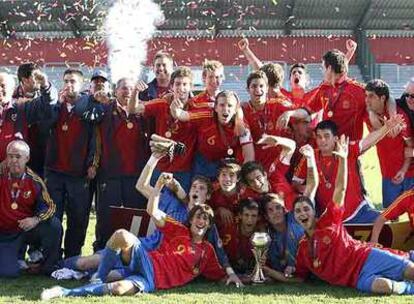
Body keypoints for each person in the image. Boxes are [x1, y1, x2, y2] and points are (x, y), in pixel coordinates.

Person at [41, 175, 240, 300]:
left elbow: (221, 269)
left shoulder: (207, 251)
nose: (201, 222)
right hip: (145, 258)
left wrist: (240, 276)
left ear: (209, 224)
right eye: (198, 217)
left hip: (151, 281)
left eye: (205, 219)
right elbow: (152, 209)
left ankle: (68, 288)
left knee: (117, 287)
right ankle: (76, 275)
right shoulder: (179, 229)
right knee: (120, 237)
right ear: (191, 219)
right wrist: (160, 185)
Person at [292, 135, 414, 295]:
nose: (302, 213)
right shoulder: (302, 248)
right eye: (298, 211)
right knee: (384, 286)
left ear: (314, 212)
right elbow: (298, 277)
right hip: (355, 279)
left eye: (306, 209)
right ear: (294, 217)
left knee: (411, 270)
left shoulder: (329, 221)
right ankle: (408, 288)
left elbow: (340, 189)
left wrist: (343, 159)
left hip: (365, 257)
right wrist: (265, 271)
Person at [293, 118, 403, 223]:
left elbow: (367, 141)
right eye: (319, 137)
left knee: (386, 223)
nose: (322, 140)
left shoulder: (345, 149)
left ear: (335, 138)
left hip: (358, 212)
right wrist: (307, 189)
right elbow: (296, 183)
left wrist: (386, 127)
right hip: (330, 219)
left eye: (326, 136)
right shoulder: (310, 156)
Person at [44, 68, 102, 257]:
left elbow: (96, 138)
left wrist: (92, 163)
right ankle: (51, 258)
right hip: (54, 171)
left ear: (82, 85)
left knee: (78, 217)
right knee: (53, 216)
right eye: (66, 81)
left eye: (73, 81)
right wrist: (56, 105)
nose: (69, 85)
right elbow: (44, 127)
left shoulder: (89, 106)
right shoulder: (55, 106)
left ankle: (72, 257)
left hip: (79, 173)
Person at [93, 78, 148, 252]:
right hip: (110, 173)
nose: (127, 92)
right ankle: (102, 251)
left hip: (136, 174)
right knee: (106, 216)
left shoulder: (143, 111)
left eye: (131, 88)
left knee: (136, 214)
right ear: (115, 91)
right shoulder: (105, 109)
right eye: (123, 88)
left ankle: (133, 253)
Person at [0, 140, 61, 277]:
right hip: (3, 232)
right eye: (10, 156)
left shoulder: (34, 181)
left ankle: (48, 266)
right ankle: (15, 260)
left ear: (27, 158)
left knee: (54, 225)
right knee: (8, 273)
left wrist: (35, 219)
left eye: (18, 156)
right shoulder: (1, 175)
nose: (14, 160)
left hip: (24, 230)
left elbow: (50, 207)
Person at [261, 144, 318, 279]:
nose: (276, 212)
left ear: (284, 208)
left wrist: (310, 159)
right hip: (300, 275)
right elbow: (295, 279)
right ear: (266, 216)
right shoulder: (269, 238)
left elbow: (311, 185)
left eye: (278, 208)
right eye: (270, 210)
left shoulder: (297, 216)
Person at [173, 90, 255, 179]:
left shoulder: (242, 126)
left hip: (227, 163)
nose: (225, 109)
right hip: (203, 161)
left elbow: (249, 156)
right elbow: (183, 115)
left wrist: (241, 176)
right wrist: (174, 106)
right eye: (222, 105)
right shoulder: (206, 115)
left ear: (235, 109)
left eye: (230, 106)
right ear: (215, 108)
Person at [241, 70, 309, 172]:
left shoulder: (278, 104)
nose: (258, 90)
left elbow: (305, 113)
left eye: (261, 86)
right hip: (254, 167)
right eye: (254, 86)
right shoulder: (243, 110)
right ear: (247, 89)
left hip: (277, 167)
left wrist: (290, 113)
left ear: (267, 88)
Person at [365, 79, 414, 208]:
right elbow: (390, 98)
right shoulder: (371, 114)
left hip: (408, 173)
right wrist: (372, 114)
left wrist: (404, 168)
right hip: (388, 174)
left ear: (382, 98)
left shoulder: (400, 116)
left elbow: (410, 147)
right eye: (406, 94)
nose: (367, 100)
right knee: (390, 216)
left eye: (371, 96)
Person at [12, 63, 58, 177]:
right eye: (35, 76)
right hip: (17, 158)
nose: (39, 80)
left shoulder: (45, 96)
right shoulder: (10, 100)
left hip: (44, 155)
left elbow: (49, 100)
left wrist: (45, 85)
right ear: (25, 80)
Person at [0, 70, 57, 162]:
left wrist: (45, 85)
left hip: (14, 168)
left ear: (12, 89)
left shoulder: (22, 108)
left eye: (2, 86)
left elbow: (47, 104)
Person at [218, 198, 260, 278]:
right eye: (246, 215)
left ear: (258, 218)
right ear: (240, 216)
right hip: (228, 269)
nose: (250, 220)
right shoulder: (228, 229)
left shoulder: (261, 234)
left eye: (254, 216)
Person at [209, 158, 242, 229]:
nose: (227, 179)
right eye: (223, 174)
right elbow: (204, 213)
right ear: (218, 177)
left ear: (238, 178)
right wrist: (218, 211)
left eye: (231, 175)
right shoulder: (212, 193)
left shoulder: (245, 195)